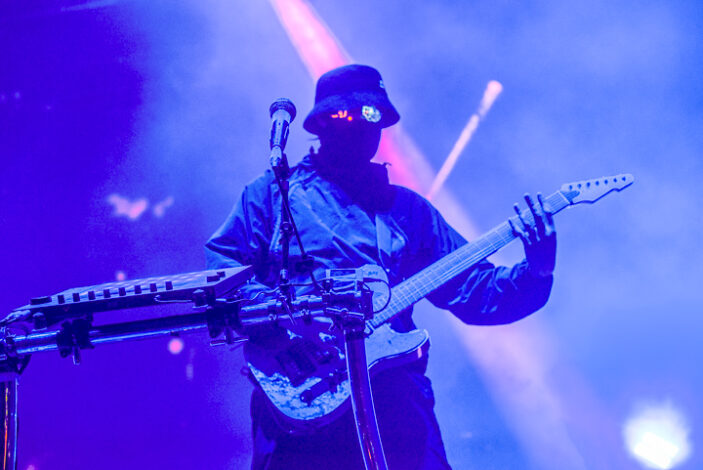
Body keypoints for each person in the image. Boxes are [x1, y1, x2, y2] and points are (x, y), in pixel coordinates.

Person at [205, 64, 556, 470]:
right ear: (322, 123)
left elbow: (475, 291)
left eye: (374, 115)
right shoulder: (270, 195)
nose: (363, 125)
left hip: (392, 400)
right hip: (298, 393)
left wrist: (537, 271)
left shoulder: (409, 211)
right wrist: (288, 317)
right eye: (349, 114)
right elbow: (222, 269)